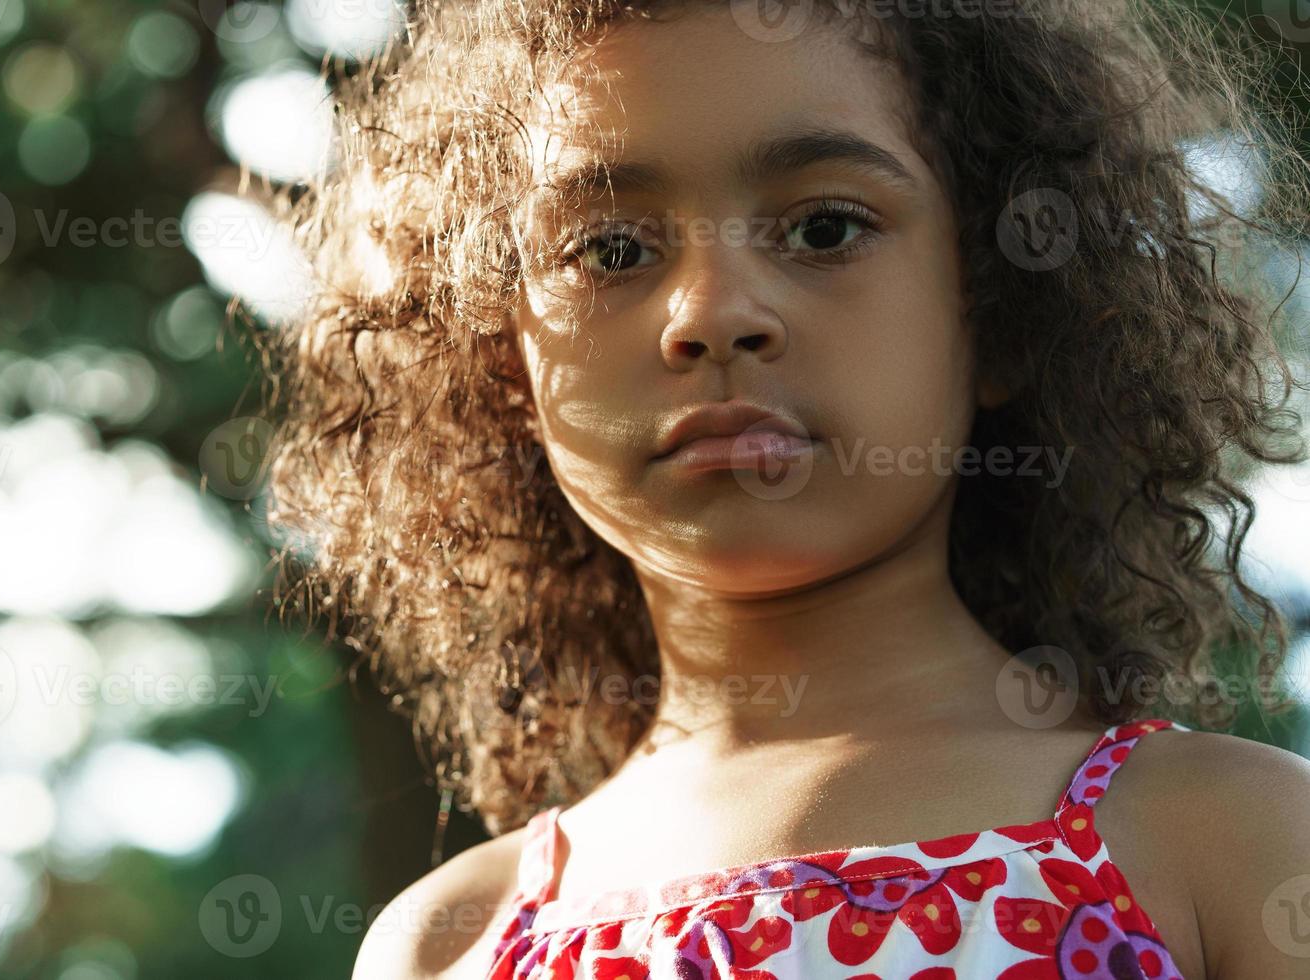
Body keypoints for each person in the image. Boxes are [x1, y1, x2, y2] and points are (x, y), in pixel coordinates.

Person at [262, 0, 1310, 975]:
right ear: (509, 363)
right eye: (612, 248)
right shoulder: (453, 942)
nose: (713, 312)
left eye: (823, 228)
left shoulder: (1222, 843)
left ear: (998, 312)